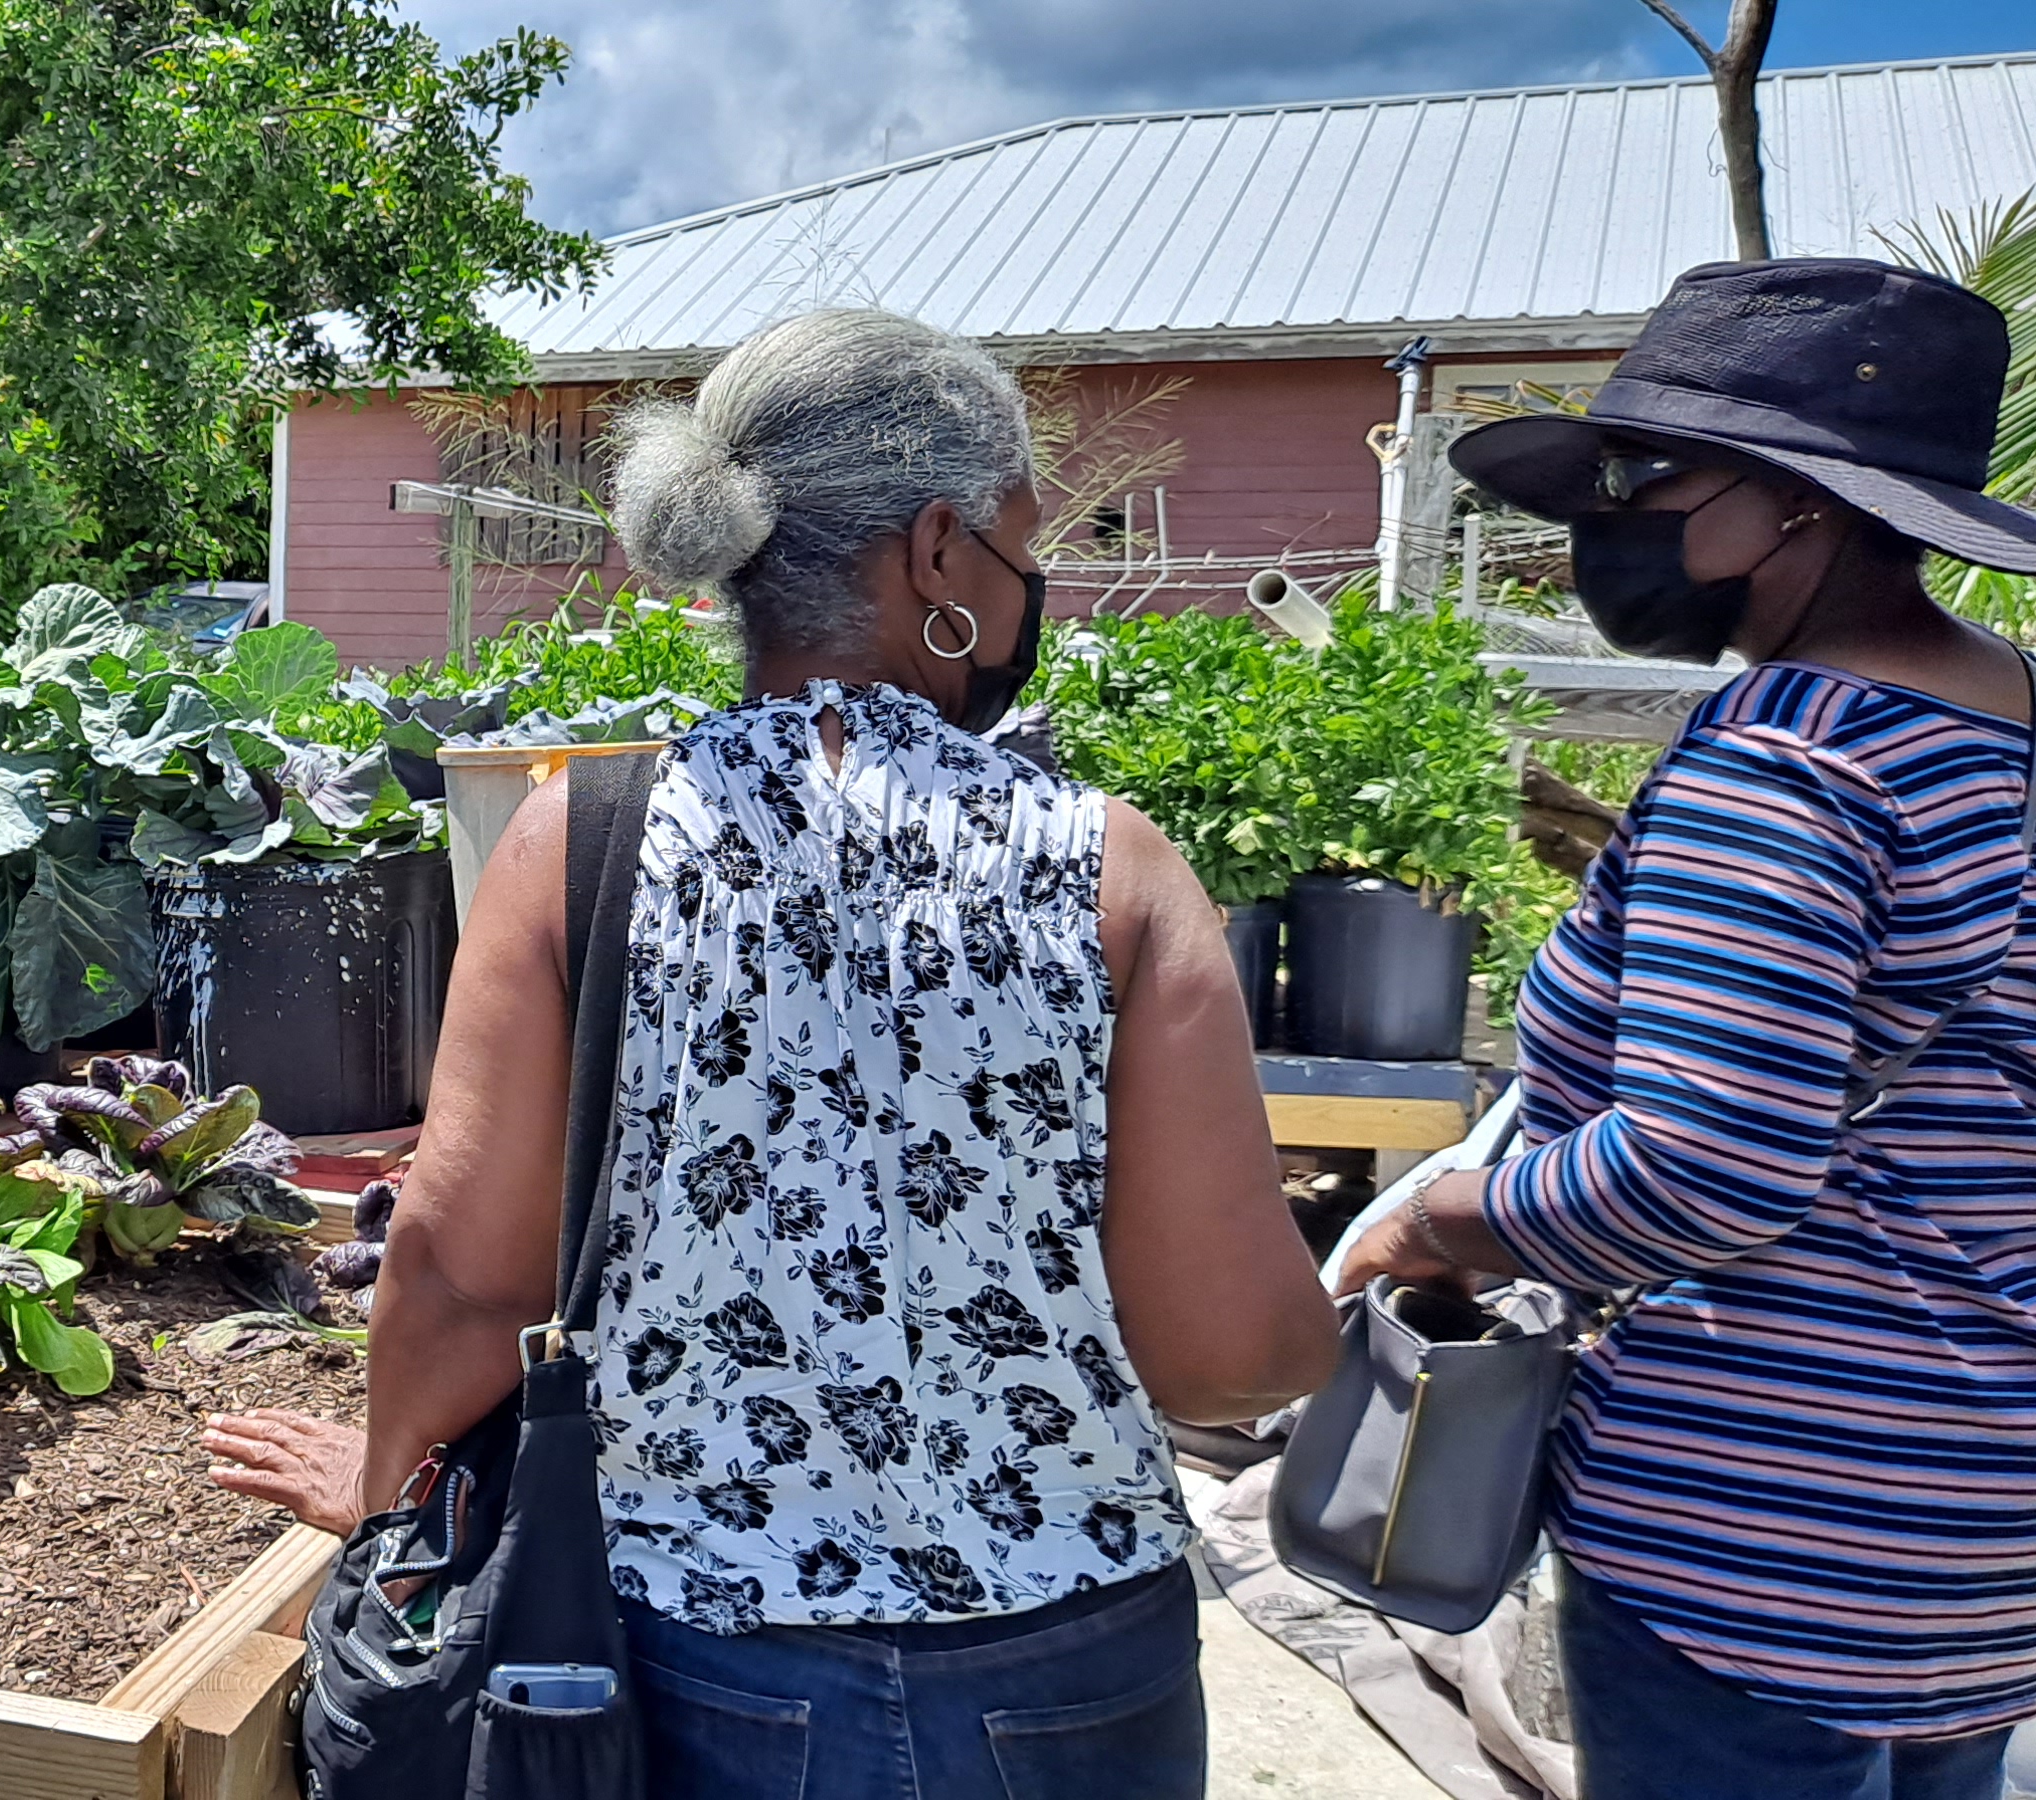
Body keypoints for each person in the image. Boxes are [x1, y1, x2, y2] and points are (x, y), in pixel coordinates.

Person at [317, 307, 1340, 1800]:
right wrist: (1355, 1301)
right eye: (1018, 542)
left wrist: (381, 1500)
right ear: (937, 555)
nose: (1030, 586)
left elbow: (467, 1279)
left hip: (705, 1655)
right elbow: (1225, 1356)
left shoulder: (583, 846)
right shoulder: (1109, 869)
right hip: (1070, 1664)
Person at [1342, 258, 2036, 1800]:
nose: (1602, 519)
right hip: (1982, 1527)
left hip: (1769, 1529)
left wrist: (1436, 1227)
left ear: (1804, 503)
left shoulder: (1791, 760)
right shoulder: (2007, 724)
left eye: (1644, 476)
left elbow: (1703, 1170)